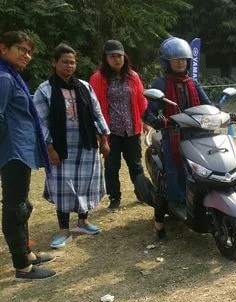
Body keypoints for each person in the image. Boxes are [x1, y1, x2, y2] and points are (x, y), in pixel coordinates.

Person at [34, 43, 111, 249]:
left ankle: (83, 222)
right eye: (64, 62)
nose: (69, 66)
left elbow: (97, 113)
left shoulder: (84, 87)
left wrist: (104, 139)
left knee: (85, 183)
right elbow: (40, 123)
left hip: (86, 145)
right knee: (63, 187)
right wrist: (50, 149)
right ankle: (63, 230)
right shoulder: (45, 90)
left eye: (72, 62)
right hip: (61, 148)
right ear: (54, 63)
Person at [0, 31, 57, 280]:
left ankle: (27, 252)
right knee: (15, 208)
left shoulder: (12, 76)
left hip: (19, 151)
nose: (27, 55)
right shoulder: (3, 78)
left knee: (22, 205)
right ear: (3, 49)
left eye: (29, 51)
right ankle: (22, 266)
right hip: (11, 152)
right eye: (21, 49)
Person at [143, 36, 212, 240]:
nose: (181, 62)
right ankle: (159, 224)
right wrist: (159, 121)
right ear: (167, 62)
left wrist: (221, 113)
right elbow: (149, 112)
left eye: (184, 59)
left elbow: (208, 104)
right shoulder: (161, 83)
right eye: (176, 59)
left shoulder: (192, 83)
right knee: (167, 178)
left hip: (196, 134)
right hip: (171, 136)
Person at [89, 40, 148, 211]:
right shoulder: (97, 79)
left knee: (135, 164)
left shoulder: (133, 76)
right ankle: (114, 198)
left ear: (125, 57)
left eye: (120, 56)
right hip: (110, 131)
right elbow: (93, 107)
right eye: (113, 56)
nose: (117, 60)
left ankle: (142, 193)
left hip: (132, 129)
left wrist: (145, 120)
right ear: (105, 58)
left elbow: (141, 99)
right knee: (112, 167)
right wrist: (99, 133)